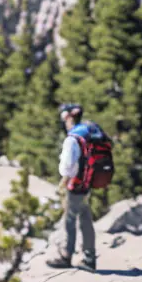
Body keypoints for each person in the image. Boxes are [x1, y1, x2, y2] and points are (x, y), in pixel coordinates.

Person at [46, 103, 100, 271]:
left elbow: (67, 167)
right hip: (87, 184)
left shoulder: (72, 139)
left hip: (75, 185)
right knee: (85, 219)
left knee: (69, 221)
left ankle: (66, 256)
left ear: (68, 118)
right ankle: (89, 258)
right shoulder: (87, 133)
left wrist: (63, 181)